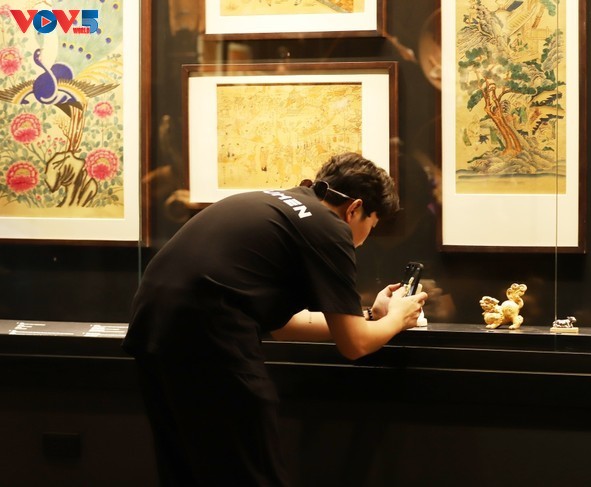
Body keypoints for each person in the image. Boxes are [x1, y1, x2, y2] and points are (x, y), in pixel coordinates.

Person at [122, 152, 428, 486]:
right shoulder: (330, 227)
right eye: (372, 225)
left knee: (187, 471)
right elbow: (354, 345)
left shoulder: (277, 203)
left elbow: (284, 326)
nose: (366, 238)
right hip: (210, 337)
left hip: (153, 330)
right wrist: (399, 317)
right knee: (253, 473)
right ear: (355, 209)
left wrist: (370, 316)